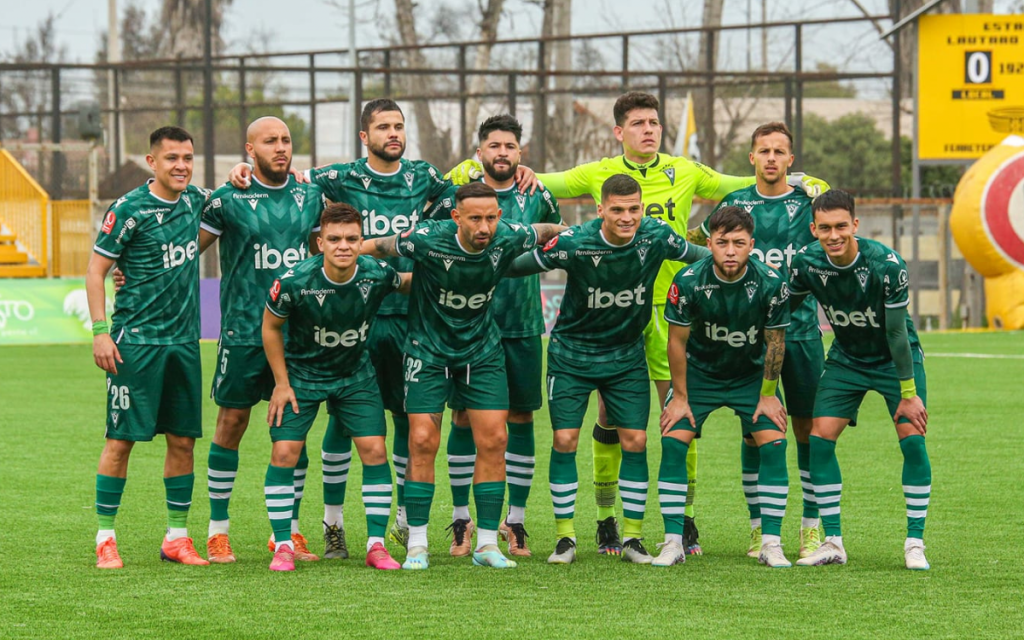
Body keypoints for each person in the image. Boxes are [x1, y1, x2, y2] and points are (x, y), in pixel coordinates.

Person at [453, 91, 825, 555]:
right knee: (607, 421)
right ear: (619, 131)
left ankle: (682, 521)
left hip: (676, 313)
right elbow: (534, 178)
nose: (648, 129)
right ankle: (607, 523)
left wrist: (798, 177)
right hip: (611, 321)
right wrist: (477, 170)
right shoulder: (597, 173)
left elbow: (738, 183)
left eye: (654, 122)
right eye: (638, 123)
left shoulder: (684, 169)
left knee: (676, 414)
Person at [229, 99, 452, 552]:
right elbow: (283, 179)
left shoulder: (424, 176)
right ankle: (333, 524)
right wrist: (243, 169)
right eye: (383, 127)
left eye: (399, 126)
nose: (393, 133)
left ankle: (406, 520)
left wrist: (523, 175)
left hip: (406, 313)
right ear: (364, 137)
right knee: (343, 420)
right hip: (355, 312)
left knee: (408, 419)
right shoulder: (339, 176)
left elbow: (463, 198)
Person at [507, 174, 710, 565]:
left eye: (634, 209)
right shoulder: (575, 242)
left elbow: (699, 256)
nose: (627, 217)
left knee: (635, 441)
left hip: (625, 356)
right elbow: (517, 266)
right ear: (600, 210)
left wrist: (742, 258)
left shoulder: (656, 236)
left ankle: (633, 539)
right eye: (617, 210)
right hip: (572, 356)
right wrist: (479, 261)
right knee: (565, 440)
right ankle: (565, 539)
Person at [363, 182, 563, 570]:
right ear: (456, 217)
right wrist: (345, 254)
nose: (484, 226)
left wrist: (573, 230)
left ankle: (488, 544)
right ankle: (417, 544)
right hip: (427, 350)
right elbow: (378, 245)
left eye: (491, 217)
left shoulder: (508, 235)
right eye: (474, 218)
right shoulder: (426, 239)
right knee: (422, 439)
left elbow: (548, 231)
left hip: (481, 351)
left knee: (496, 438)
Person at [426, 114, 562, 557]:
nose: (502, 153)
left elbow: (554, 243)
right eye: (494, 146)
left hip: (521, 323)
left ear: (520, 153)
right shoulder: (455, 195)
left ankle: (516, 522)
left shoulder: (536, 193)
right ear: (479, 151)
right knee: (464, 418)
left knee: (520, 420)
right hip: (465, 327)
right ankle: (461, 519)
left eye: (510, 146)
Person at [693, 122, 824, 559]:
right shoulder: (735, 203)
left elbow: (831, 243)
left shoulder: (810, 203)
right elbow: (704, 244)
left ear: (791, 159)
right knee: (755, 431)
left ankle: (811, 528)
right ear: (751, 158)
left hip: (801, 331)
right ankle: (758, 530)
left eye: (779, 151)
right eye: (763, 150)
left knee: (808, 431)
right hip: (747, 338)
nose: (771, 158)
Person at [199, 116, 325, 563]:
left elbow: (319, 256)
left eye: (286, 140)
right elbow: (186, 248)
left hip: (296, 334)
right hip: (242, 331)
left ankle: (287, 533)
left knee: (293, 434)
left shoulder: (312, 196)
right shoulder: (228, 198)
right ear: (249, 149)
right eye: (270, 141)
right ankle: (218, 531)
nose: (281, 147)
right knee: (230, 425)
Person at [788, 190, 932, 570]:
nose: (833, 235)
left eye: (840, 226)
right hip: (848, 359)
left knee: (912, 440)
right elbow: (782, 307)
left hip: (894, 360)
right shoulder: (806, 263)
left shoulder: (886, 264)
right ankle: (833, 541)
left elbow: (898, 333)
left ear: (855, 224)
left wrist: (908, 393)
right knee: (819, 438)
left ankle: (914, 543)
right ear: (813, 229)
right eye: (824, 228)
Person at [262, 203, 408, 572]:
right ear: (320, 242)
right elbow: (270, 327)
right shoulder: (294, 281)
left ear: (361, 241)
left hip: (355, 375)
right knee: (285, 452)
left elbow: (408, 283)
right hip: (302, 376)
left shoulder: (376, 274)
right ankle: (283, 545)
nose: (343, 245)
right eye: (334, 239)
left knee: (375, 450)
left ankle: (376, 545)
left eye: (352, 239)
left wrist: (462, 270)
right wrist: (281, 384)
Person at [87, 126, 209, 569]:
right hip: (134, 344)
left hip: (183, 344)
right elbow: (95, 270)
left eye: (188, 157)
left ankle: (177, 537)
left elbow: (220, 214)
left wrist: (238, 172)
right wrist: (101, 330)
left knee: (183, 440)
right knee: (120, 440)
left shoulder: (196, 200)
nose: (181, 165)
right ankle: (105, 538)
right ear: (151, 161)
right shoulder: (129, 210)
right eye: (172, 157)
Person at [659, 206, 793, 568]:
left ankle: (771, 542)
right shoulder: (687, 281)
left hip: (750, 377)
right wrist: (680, 398)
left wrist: (767, 396)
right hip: (700, 376)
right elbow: (676, 343)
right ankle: (672, 542)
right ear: (710, 243)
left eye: (738, 243)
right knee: (673, 439)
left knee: (774, 441)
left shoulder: (772, 282)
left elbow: (776, 343)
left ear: (752, 244)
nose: (730, 250)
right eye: (722, 243)